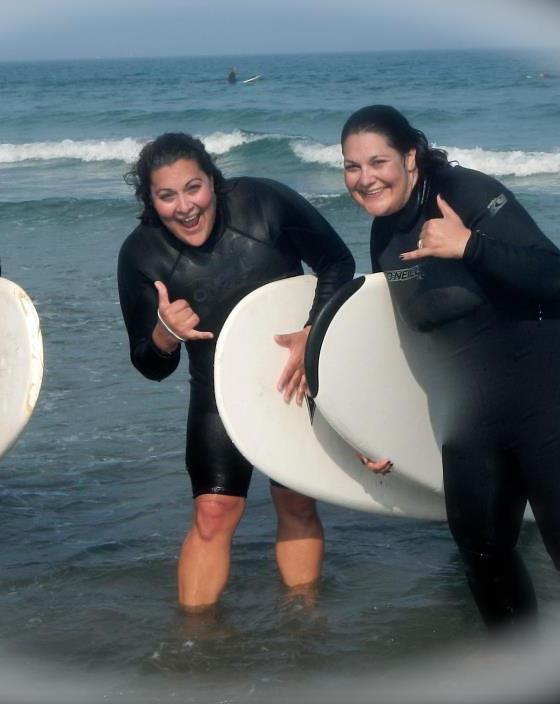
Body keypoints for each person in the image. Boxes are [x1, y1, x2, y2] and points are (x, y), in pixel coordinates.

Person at [339, 104, 560, 630]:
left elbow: (553, 274)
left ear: (410, 157)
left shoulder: (463, 193)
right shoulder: (383, 236)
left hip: (545, 397)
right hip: (472, 419)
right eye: (351, 166)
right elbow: (405, 343)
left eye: (378, 162)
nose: (365, 179)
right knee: (483, 553)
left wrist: (469, 246)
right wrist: (367, 427)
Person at [118, 132, 355, 611]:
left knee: (296, 501)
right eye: (167, 196)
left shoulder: (263, 203)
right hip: (218, 392)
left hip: (292, 378)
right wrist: (165, 334)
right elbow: (149, 365)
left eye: (194, 188)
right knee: (213, 511)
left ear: (214, 182)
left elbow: (337, 261)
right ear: (151, 201)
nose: (185, 206)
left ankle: (303, 617)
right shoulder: (141, 255)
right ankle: (195, 637)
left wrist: (312, 331)